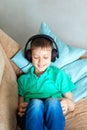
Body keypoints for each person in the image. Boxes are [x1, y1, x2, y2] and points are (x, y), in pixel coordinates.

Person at [17, 34, 76, 130]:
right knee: (36, 103)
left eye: (45, 57)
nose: (41, 62)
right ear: (29, 56)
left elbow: (72, 105)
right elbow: (20, 105)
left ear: (52, 56)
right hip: (31, 119)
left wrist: (66, 103)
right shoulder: (23, 80)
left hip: (54, 119)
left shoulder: (58, 75)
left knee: (52, 102)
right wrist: (20, 108)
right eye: (36, 57)